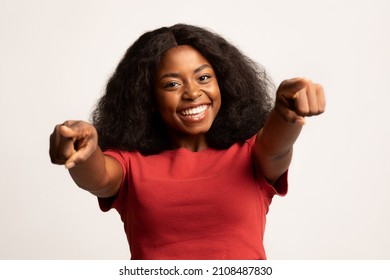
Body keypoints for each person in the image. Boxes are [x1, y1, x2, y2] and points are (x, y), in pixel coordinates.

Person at [49, 23, 325, 260]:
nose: (193, 93)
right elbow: (97, 177)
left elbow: (277, 145)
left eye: (204, 77)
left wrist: (287, 111)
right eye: (172, 84)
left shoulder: (251, 155)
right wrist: (82, 151)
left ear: (224, 84)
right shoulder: (130, 166)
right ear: (149, 100)